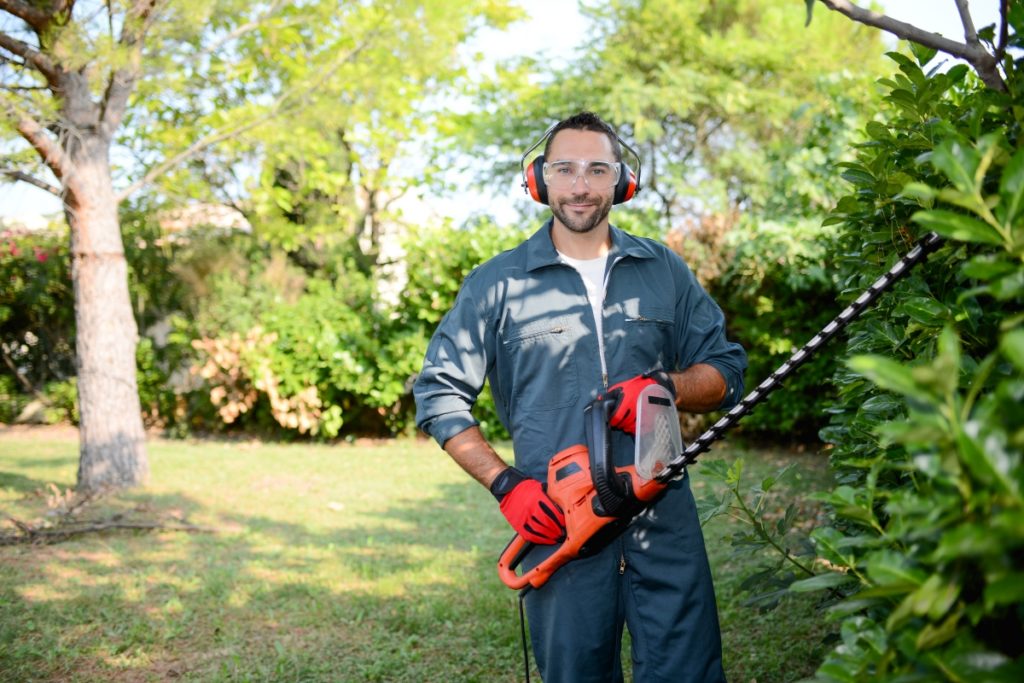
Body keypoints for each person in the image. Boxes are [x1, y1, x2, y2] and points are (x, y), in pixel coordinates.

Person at [413, 111, 747, 682]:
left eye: (598, 169)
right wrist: (506, 484)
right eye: (564, 169)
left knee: (688, 672)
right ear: (539, 179)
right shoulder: (498, 284)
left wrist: (664, 387)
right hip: (560, 521)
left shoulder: (662, 268)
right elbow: (438, 395)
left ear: (623, 181)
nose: (581, 184)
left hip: (661, 515)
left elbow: (726, 371)